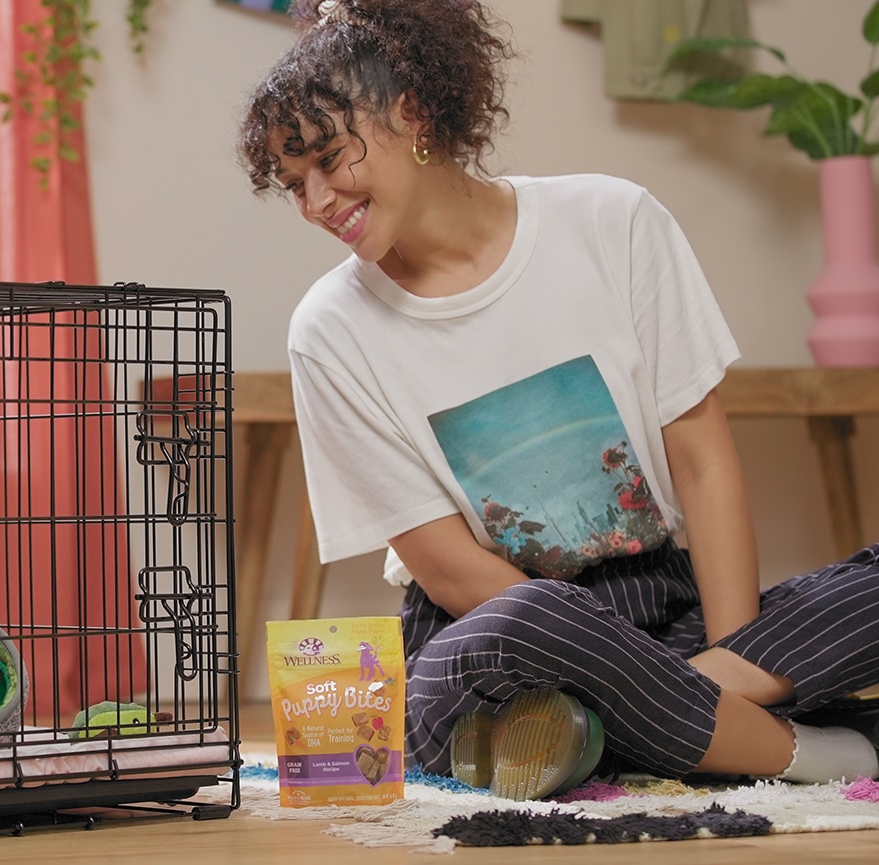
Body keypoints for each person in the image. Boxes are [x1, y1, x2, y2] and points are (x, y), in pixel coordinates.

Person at [237, 0, 879, 800]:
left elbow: (704, 461)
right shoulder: (328, 330)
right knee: (534, 617)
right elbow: (451, 571)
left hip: (657, 603)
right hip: (489, 641)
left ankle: (622, 729)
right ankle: (807, 750)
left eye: (330, 159)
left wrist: (720, 649)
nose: (318, 201)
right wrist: (634, 664)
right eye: (294, 183)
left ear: (410, 109)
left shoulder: (614, 220)